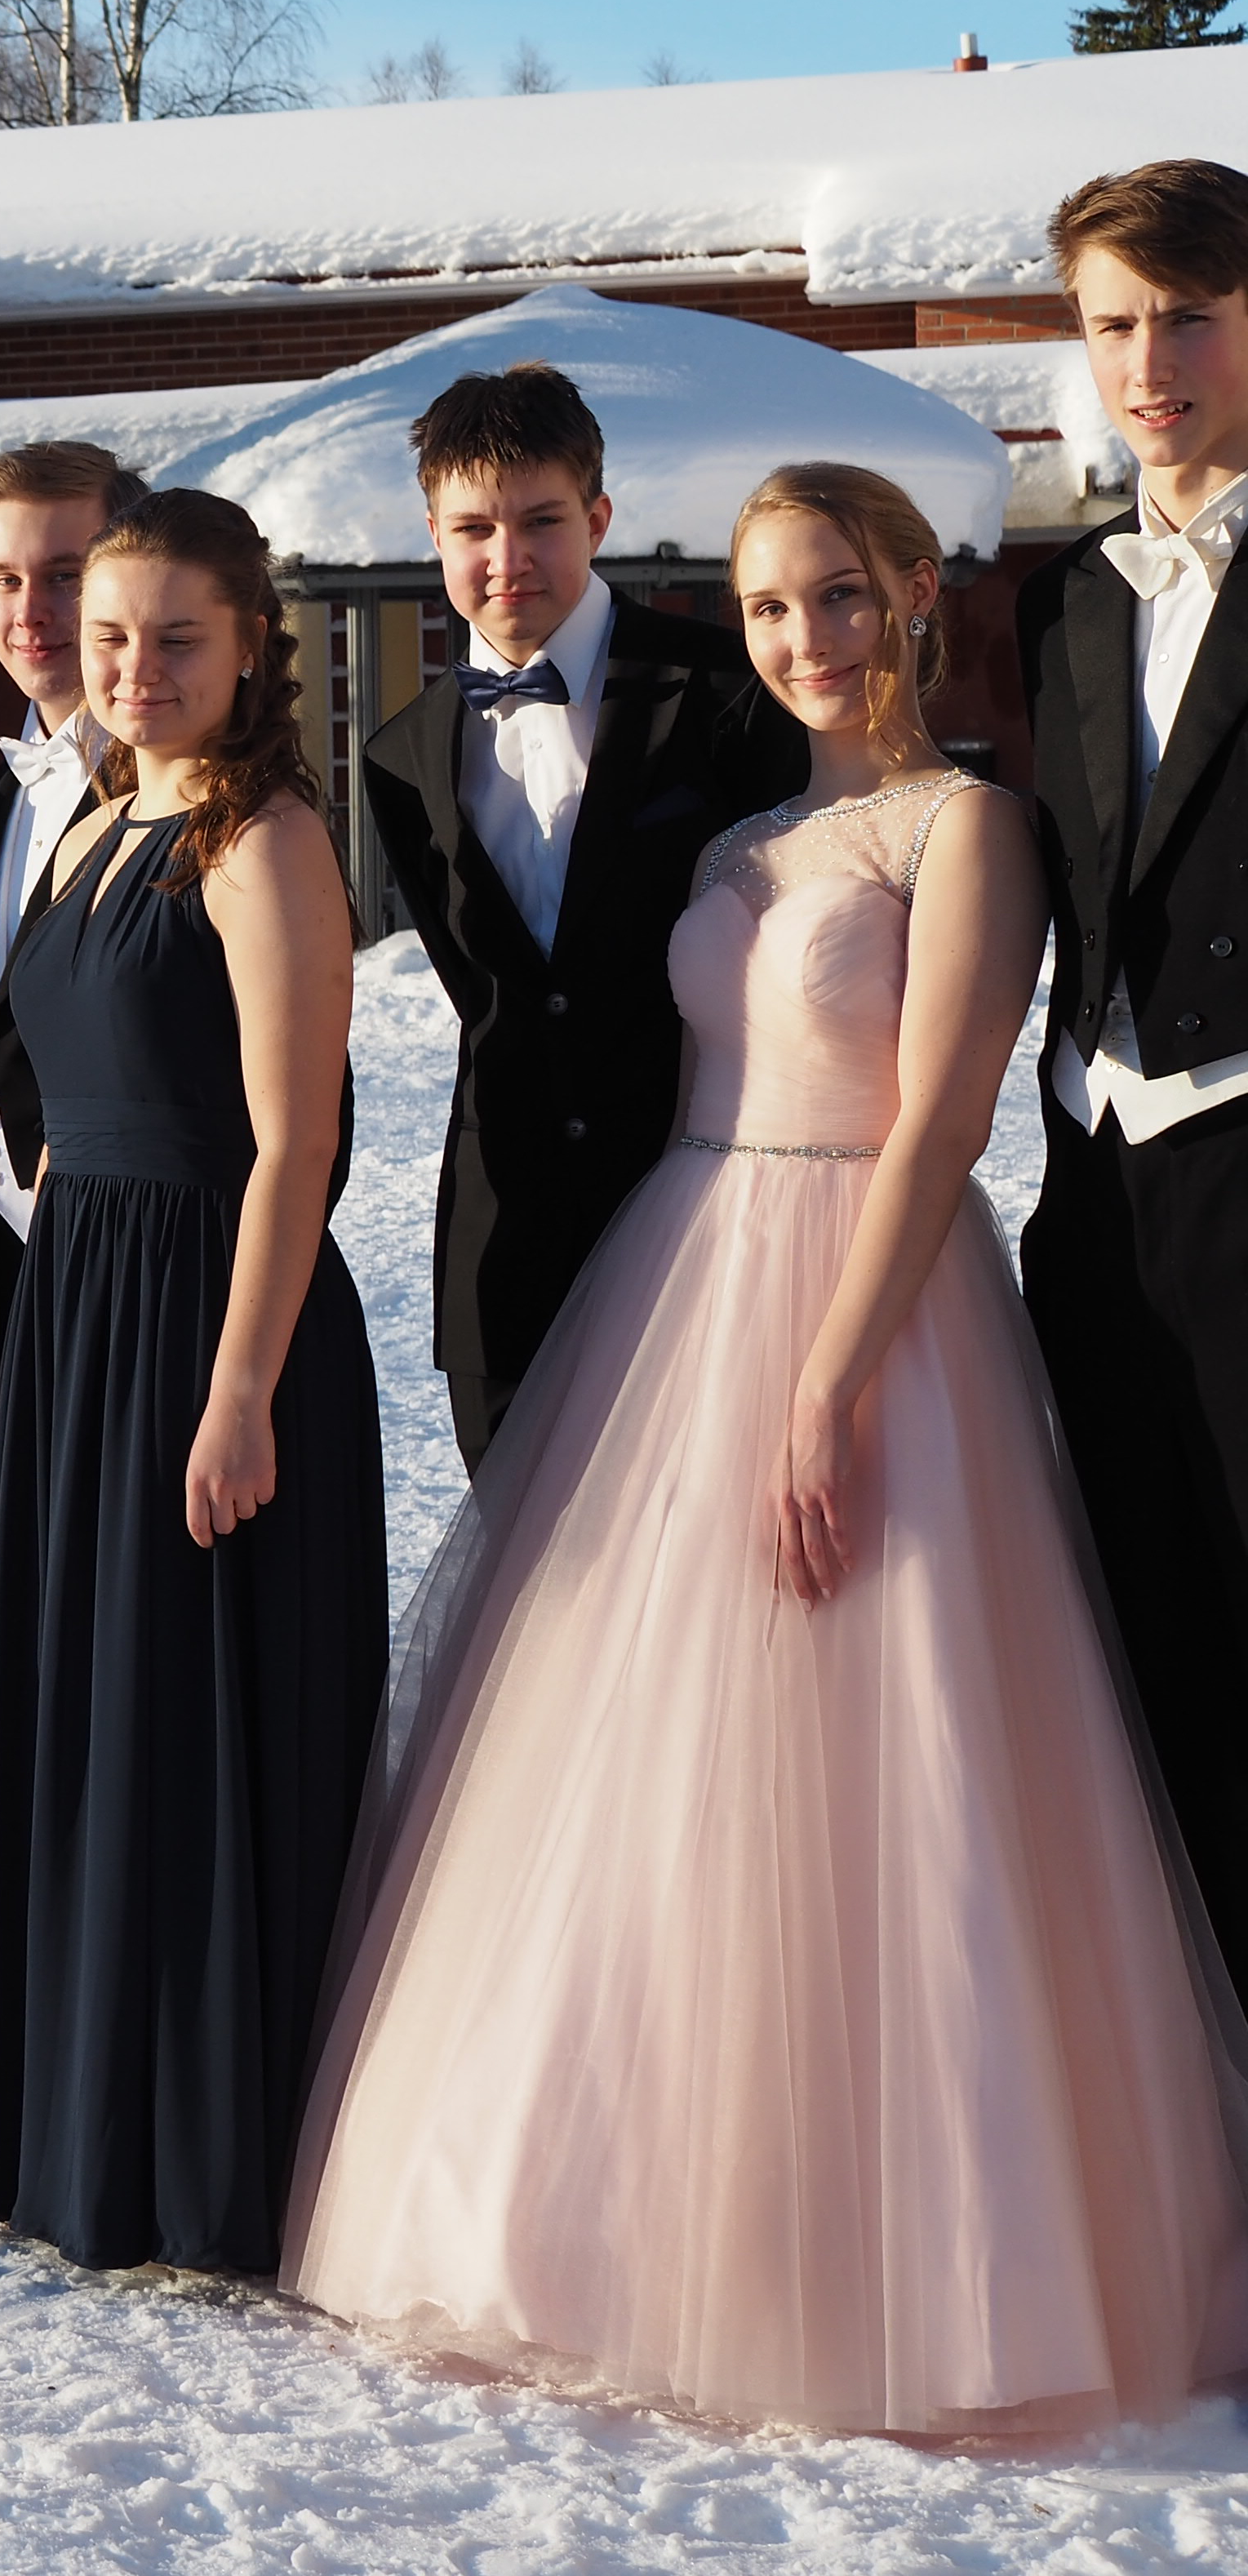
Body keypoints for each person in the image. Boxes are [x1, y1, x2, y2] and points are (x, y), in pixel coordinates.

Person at [286, 464, 1248, 2435]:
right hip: (684, 1278)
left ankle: (896, 2243)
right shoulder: (738, 836)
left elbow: (943, 1122)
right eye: (769, 609)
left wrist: (826, 1381)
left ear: (912, 595)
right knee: (644, 1772)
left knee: (894, 1765)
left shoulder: (970, 824)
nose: (809, 638)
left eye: (840, 595)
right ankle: (615, 2214)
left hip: (877, 1307)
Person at [0, 488, 385, 2276]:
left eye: (174, 639)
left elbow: (298, 1147)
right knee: (96, 1716)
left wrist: (236, 1390)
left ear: (251, 647)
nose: (133, 668)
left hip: (219, 1319)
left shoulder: (263, 838)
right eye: (108, 636)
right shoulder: (94, 821)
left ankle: (196, 2163)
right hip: (85, 1313)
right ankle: (80, 2132)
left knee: (194, 1732)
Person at [359, 365, 806, 1469]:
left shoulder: (730, 692)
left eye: (541, 522)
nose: (507, 558)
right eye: (474, 529)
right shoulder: (399, 756)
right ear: (433, 534)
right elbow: (484, 997)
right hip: (502, 1246)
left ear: (599, 518)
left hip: (702, 1206)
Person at [1016, 158, 1248, 1969]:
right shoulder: (1064, 599)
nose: (1146, 362)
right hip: (1095, 1192)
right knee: (1143, 1644)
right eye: (1113, 324)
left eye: (1186, 318)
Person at [0, 442, 144, 1355]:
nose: (30, 612)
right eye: (5, 579)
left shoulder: (195, 800)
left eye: (65, 576)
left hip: (139, 1277)